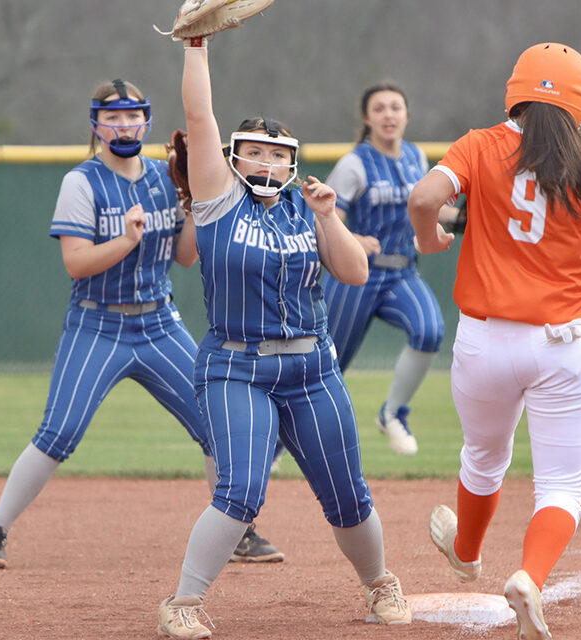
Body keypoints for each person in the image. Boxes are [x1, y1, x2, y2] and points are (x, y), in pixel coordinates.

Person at [408, 42, 581, 640]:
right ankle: (530, 578)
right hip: (562, 344)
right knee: (560, 485)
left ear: (514, 93)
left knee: (483, 457)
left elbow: (424, 199)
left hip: (484, 341)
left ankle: (466, 551)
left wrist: (431, 240)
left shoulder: (481, 144)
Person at [155, 35, 411, 639]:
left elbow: (353, 271)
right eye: (254, 155)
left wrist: (328, 216)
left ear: (292, 162)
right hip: (235, 368)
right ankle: (184, 602)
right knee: (241, 489)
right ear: (233, 159)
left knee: (347, 495)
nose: (266, 165)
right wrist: (196, 46)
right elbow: (199, 114)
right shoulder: (218, 201)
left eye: (277, 156)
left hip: (312, 369)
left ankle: (379, 584)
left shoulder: (306, 206)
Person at [0, 78, 283, 570]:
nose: (124, 124)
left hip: (159, 324)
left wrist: (194, 207)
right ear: (95, 124)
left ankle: (239, 530)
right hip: (98, 324)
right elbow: (76, 263)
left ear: (147, 119)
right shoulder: (82, 181)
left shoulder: (166, 176)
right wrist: (124, 240)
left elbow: (184, 258)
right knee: (60, 433)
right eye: (113, 116)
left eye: (133, 114)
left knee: (213, 424)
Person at [321, 82, 460, 456]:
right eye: (379, 108)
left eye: (395, 108)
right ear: (367, 118)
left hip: (400, 272)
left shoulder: (416, 157)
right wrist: (353, 241)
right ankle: (280, 445)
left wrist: (464, 217)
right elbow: (326, 221)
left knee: (429, 330)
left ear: (407, 116)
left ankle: (393, 413)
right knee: (326, 366)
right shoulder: (355, 163)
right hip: (355, 274)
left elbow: (433, 207)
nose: (388, 115)